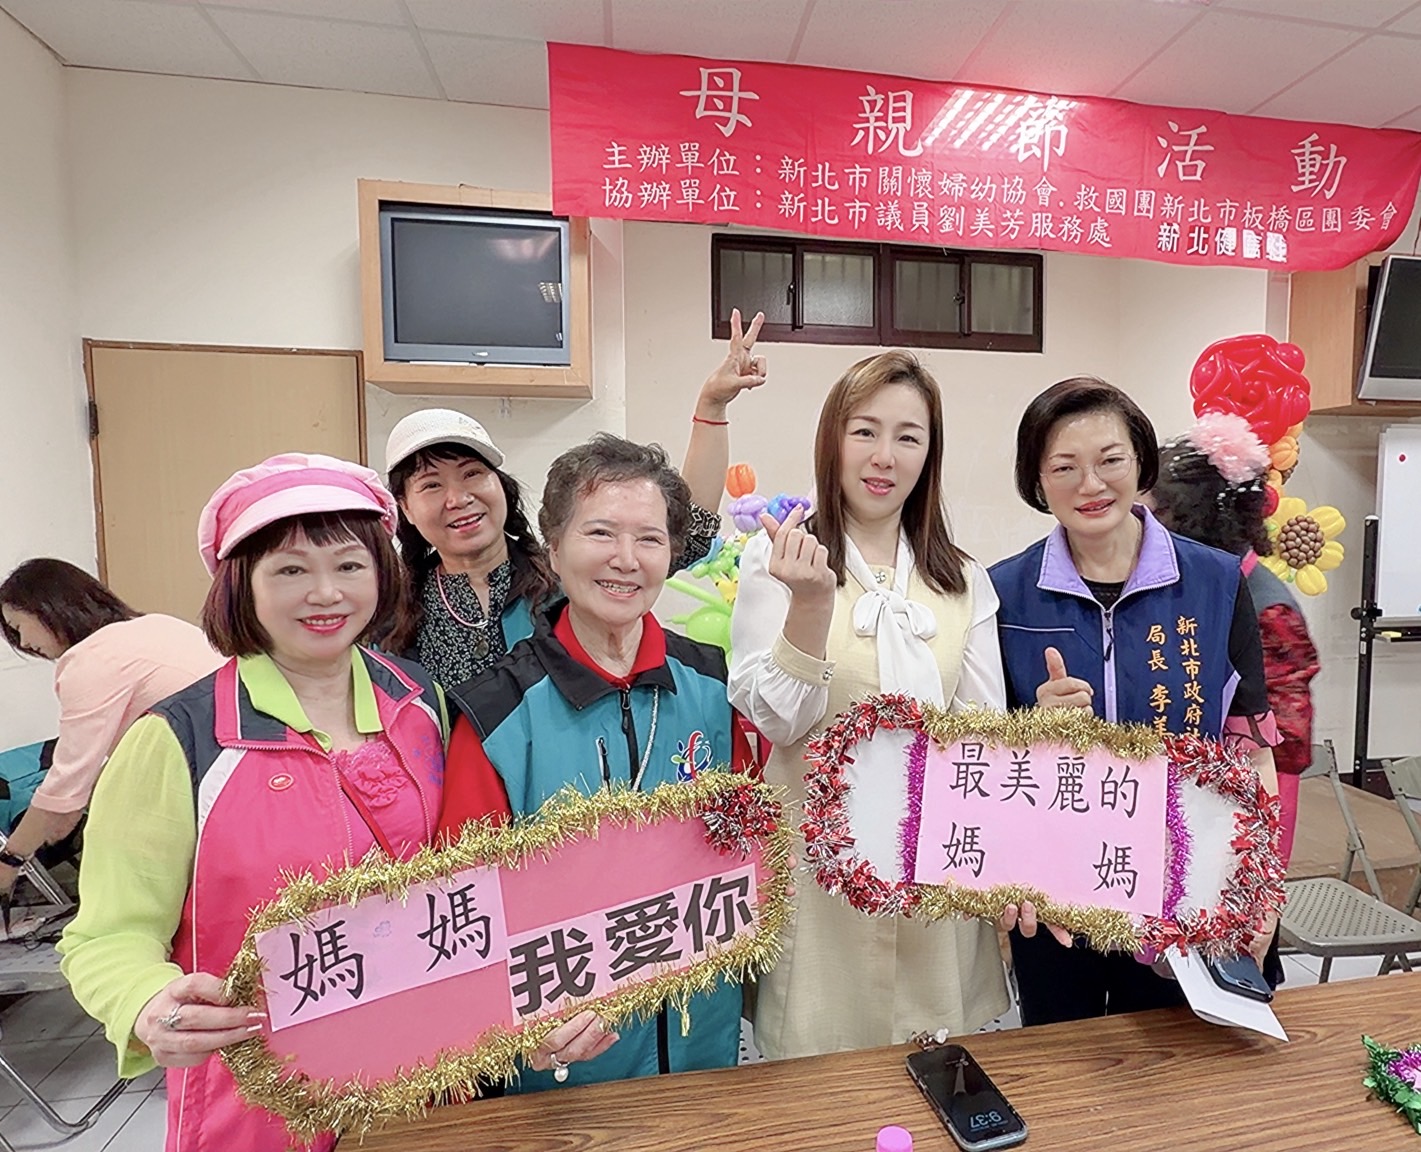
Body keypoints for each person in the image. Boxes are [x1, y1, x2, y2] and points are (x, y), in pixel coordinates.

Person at [58, 454, 446, 1152]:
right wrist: (144, 1000)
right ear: (241, 584)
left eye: (349, 565)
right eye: (290, 570)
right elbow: (108, 935)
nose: (325, 593)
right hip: (259, 1093)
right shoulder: (177, 740)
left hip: (421, 1073)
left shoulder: (421, 702)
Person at [439, 434, 754, 1090]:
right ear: (553, 548)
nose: (625, 560)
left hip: (703, 1048)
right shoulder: (497, 714)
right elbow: (460, 913)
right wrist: (514, 1030)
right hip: (564, 1066)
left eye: (649, 539)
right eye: (601, 533)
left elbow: (752, 848)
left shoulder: (715, 684)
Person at [727, 350, 1011, 1061]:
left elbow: (981, 739)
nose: (884, 456)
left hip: (934, 874)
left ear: (929, 454)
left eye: (908, 437)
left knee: (939, 1076)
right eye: (865, 431)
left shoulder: (963, 581)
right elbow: (776, 721)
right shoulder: (777, 558)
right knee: (820, 1082)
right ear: (833, 439)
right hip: (817, 876)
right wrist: (810, 605)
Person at [989, 377, 1281, 1026]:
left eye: (1110, 460)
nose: (1090, 484)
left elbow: (1251, 750)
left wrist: (1259, 881)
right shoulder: (1003, 593)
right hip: (1058, 891)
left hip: (1183, 882)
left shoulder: (1212, 581)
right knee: (1061, 1060)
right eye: (1064, 467)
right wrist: (1033, 732)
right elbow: (982, 759)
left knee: (1177, 1059)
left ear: (1141, 463)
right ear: (1036, 481)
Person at [384, 309, 768, 689]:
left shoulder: (564, 573)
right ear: (405, 507)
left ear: (500, 484)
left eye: (472, 474)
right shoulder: (390, 607)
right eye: (431, 485)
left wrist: (712, 406)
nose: (458, 498)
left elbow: (689, 526)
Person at [1149, 412, 1319, 869]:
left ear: (1197, 518)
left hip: (1245, 803)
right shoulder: (1196, 587)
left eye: (1159, 513)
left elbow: (1283, 745)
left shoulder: (1268, 608)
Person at [0, 559, 223, 891]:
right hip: (242, 769)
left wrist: (11, 859)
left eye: (18, 626)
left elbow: (64, 786)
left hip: (203, 788)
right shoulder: (156, 625)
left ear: (47, 608)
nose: (24, 642)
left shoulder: (89, 660)